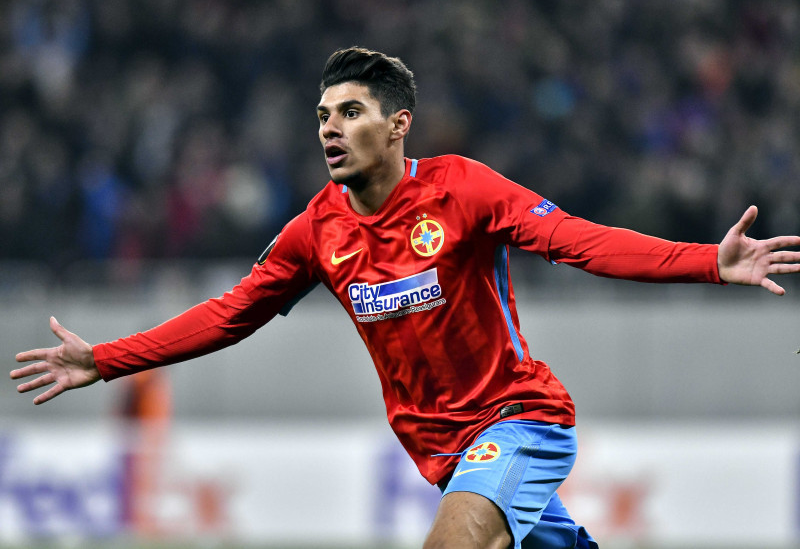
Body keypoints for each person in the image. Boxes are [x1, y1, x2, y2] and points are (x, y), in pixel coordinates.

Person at [11, 47, 800, 549]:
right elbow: (228, 315)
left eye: (350, 112)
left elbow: (581, 242)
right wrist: (106, 360)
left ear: (397, 126)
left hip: (518, 419)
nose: (329, 128)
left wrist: (708, 262)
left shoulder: (463, 189)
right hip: (438, 452)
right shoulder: (313, 232)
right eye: (321, 115)